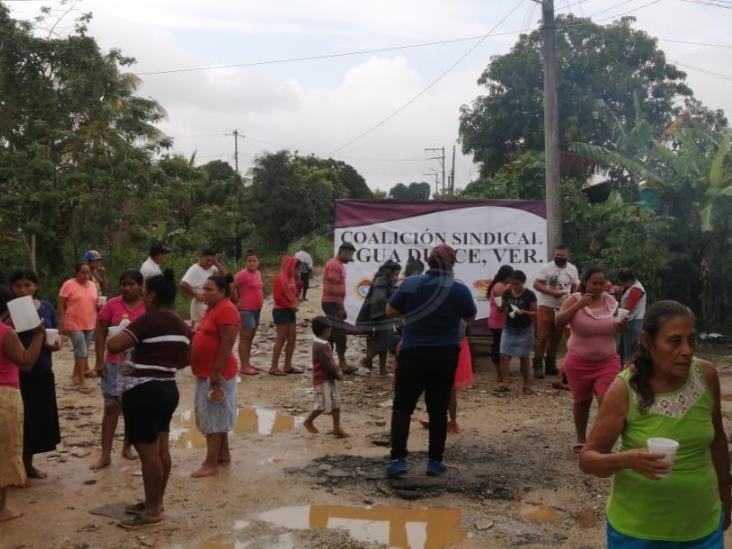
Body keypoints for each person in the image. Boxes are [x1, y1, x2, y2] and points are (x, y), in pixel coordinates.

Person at [579, 301, 731, 547]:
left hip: (702, 526)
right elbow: (588, 460)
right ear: (648, 342)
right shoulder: (625, 388)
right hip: (638, 532)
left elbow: (718, 440)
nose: (687, 350)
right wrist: (626, 460)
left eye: (691, 340)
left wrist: (726, 497)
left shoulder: (707, 375)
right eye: (674, 341)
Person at [107, 270, 191, 526]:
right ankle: (157, 500)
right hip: (168, 388)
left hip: (143, 390)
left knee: (148, 453)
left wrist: (120, 332)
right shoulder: (182, 325)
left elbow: (114, 346)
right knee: (162, 449)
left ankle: (153, 510)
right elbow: (186, 360)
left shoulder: (147, 320)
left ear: (152, 296)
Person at [385, 245, 477, 477]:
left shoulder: (411, 283)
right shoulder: (460, 290)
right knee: (438, 409)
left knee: (403, 407)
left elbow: (389, 311)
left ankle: (398, 460)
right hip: (445, 354)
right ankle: (434, 461)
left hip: (413, 352)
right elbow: (470, 316)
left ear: (429, 261)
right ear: (452, 264)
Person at [555, 267, 621, 453]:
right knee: (581, 401)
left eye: (602, 283)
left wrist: (620, 326)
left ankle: (600, 442)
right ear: (585, 283)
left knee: (607, 401)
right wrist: (579, 305)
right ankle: (581, 439)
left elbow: (613, 326)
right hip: (578, 362)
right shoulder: (574, 299)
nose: (599, 287)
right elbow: (558, 322)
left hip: (607, 360)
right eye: (595, 283)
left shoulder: (611, 302)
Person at [90, 270, 146, 470]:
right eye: (124, 284)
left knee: (133, 408)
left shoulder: (148, 307)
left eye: (132, 284)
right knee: (111, 407)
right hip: (113, 363)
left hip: (138, 364)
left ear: (140, 286)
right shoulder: (112, 305)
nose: (127, 288)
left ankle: (127, 447)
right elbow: (101, 334)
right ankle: (105, 454)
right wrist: (99, 361)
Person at [10, 270, 62, 480]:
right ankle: (13, 469)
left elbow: (56, 334)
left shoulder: (47, 308)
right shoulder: (7, 311)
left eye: (28, 285)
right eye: (19, 286)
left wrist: (55, 343)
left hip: (42, 372)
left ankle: (28, 464)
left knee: (36, 421)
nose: (24, 290)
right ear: (12, 288)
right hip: (16, 374)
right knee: (17, 422)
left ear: (36, 286)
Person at [0, 285, 45, 523]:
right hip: (5, 396)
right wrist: (38, 334)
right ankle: (1, 509)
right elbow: (26, 362)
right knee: (5, 451)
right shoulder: (5, 332)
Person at [190, 274, 239, 478]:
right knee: (216, 414)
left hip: (217, 373)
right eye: (204, 289)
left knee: (213, 417)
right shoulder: (213, 309)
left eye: (209, 289)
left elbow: (227, 343)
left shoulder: (226, 310)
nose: (204, 293)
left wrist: (217, 371)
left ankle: (210, 463)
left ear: (222, 291)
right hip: (207, 371)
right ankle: (223, 454)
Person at [532, 245, 579, 379]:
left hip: (563, 307)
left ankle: (550, 365)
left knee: (556, 337)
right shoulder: (547, 268)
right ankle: (537, 365)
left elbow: (575, 284)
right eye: (557, 255)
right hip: (546, 305)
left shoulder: (572, 269)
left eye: (562, 256)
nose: (559, 257)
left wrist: (573, 297)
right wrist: (553, 292)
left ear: (568, 256)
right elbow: (536, 284)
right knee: (542, 336)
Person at [303, 316, 347, 437]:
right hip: (322, 379)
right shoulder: (321, 345)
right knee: (322, 405)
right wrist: (337, 374)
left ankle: (337, 427)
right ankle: (308, 421)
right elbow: (327, 364)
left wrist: (336, 371)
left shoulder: (321, 343)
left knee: (336, 402)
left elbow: (330, 362)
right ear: (326, 331)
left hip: (328, 378)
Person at [58, 262, 99, 391]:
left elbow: (95, 303)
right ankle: (82, 381)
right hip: (73, 322)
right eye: (83, 272)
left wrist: (100, 306)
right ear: (76, 273)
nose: (86, 275)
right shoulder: (68, 284)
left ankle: (76, 374)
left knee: (83, 351)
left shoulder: (93, 285)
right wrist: (62, 321)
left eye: (88, 273)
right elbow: (60, 303)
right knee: (82, 351)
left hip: (90, 322)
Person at [356, 260, 401, 375]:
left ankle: (382, 369)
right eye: (395, 274)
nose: (396, 277)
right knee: (385, 341)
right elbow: (380, 299)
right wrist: (391, 309)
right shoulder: (381, 281)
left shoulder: (386, 281)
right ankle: (365, 360)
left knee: (383, 340)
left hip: (383, 314)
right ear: (388, 272)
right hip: (378, 315)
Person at [496, 270, 537, 395]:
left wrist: (525, 312)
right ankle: (505, 383)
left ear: (523, 283)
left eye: (517, 284)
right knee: (503, 354)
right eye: (512, 283)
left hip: (525, 329)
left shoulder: (529, 294)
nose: (514, 286)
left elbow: (535, 313)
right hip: (509, 328)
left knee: (524, 357)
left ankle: (527, 384)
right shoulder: (507, 293)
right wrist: (499, 304)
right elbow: (501, 309)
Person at [322, 242, 357, 374]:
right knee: (340, 333)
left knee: (330, 333)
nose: (351, 258)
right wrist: (341, 307)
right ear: (344, 253)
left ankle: (327, 363)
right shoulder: (334, 265)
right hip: (332, 303)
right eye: (350, 255)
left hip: (333, 303)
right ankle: (342, 364)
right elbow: (333, 287)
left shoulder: (338, 265)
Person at [231, 250, 263, 376]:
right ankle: (244, 366)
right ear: (246, 262)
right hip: (246, 310)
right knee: (245, 338)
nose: (252, 263)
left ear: (258, 262)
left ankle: (247, 363)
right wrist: (236, 301)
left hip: (257, 310)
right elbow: (231, 286)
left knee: (250, 338)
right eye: (249, 261)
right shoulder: (242, 274)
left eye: (254, 261)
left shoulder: (258, 273)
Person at [270, 256, 303, 376]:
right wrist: (290, 306)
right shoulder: (281, 278)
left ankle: (287, 365)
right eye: (295, 267)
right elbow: (278, 297)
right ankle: (273, 367)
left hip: (290, 310)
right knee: (281, 338)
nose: (297, 270)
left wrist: (299, 281)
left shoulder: (291, 278)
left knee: (292, 338)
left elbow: (297, 293)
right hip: (281, 311)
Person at [180, 249, 227, 330]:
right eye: (207, 260)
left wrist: (217, 264)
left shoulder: (212, 268)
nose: (209, 263)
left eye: (211, 261)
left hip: (210, 300)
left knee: (211, 324)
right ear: (200, 257)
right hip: (200, 300)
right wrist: (196, 295)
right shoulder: (194, 269)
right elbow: (183, 283)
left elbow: (226, 277)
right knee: (200, 325)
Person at [486, 265, 514, 376]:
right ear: (506, 276)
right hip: (498, 323)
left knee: (505, 347)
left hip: (501, 322)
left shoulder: (502, 286)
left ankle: (503, 370)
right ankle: (500, 373)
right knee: (499, 348)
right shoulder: (499, 287)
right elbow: (500, 307)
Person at [616, 268, 646, 365]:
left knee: (630, 355)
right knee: (624, 352)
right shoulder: (632, 287)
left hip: (632, 323)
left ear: (628, 280)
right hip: (631, 323)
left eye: (623, 283)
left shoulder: (635, 290)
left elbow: (628, 309)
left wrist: (620, 322)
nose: (622, 285)